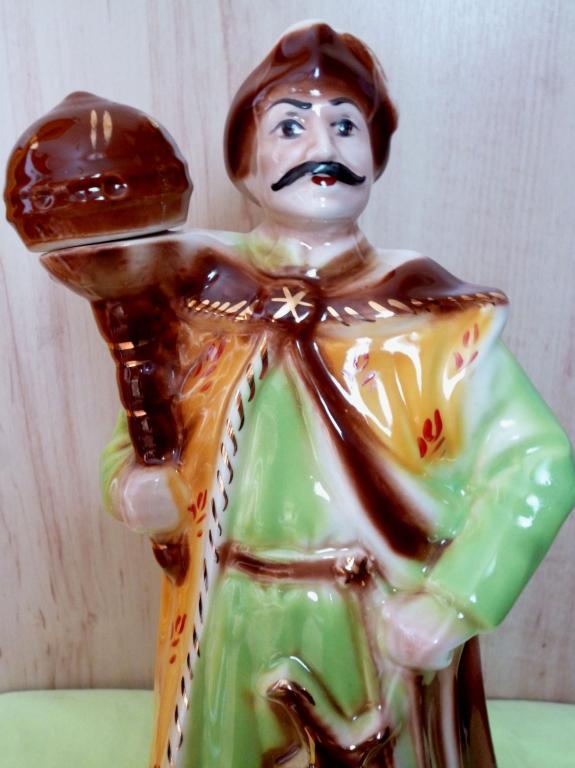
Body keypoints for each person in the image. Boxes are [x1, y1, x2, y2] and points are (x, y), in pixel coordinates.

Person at [100, 22, 575, 768]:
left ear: (374, 156)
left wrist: (453, 601)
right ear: (244, 164)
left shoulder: (431, 318)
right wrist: (135, 489)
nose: (321, 144)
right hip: (227, 618)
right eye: (289, 126)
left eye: (345, 125)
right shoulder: (199, 309)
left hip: (370, 620)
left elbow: (537, 463)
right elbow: (135, 444)